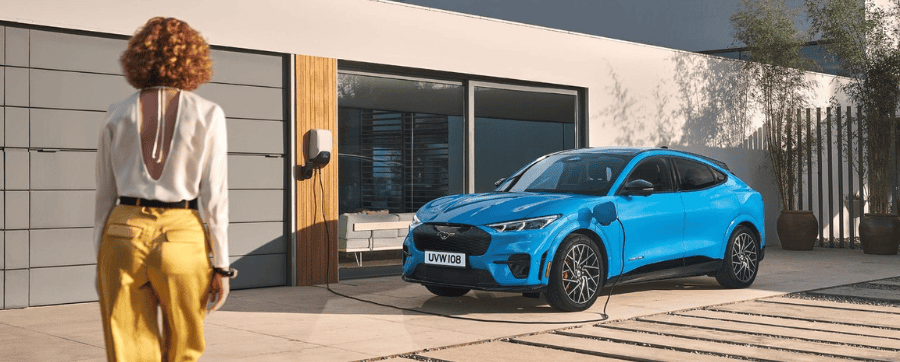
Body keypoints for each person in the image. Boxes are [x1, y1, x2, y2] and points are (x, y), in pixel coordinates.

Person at [94, 17, 233, 362]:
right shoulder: (208, 113)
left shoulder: (116, 114)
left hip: (123, 232)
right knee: (184, 343)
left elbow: (103, 195)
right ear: (194, 58)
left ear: (137, 58)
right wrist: (222, 265)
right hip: (182, 233)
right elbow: (215, 197)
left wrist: (100, 259)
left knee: (127, 343)